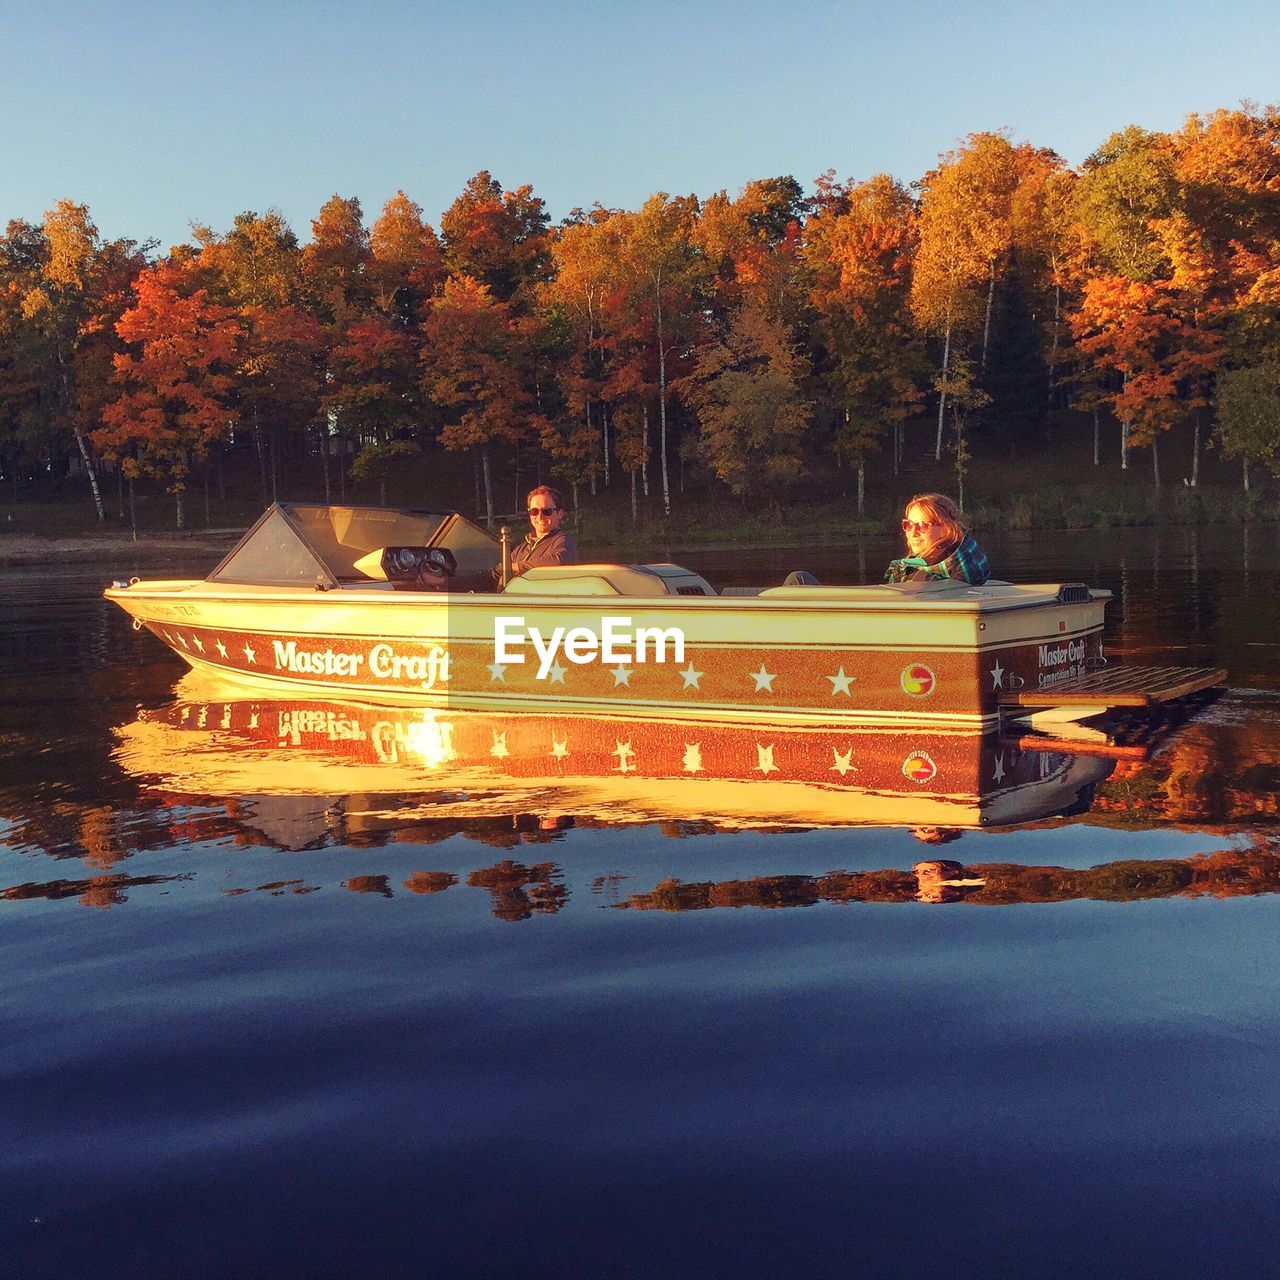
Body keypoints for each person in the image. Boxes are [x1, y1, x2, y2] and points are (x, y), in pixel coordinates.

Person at [884, 493, 990, 585]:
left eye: (922, 525)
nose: (913, 533)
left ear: (945, 529)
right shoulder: (971, 562)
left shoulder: (920, 577)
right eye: (908, 525)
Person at [511, 485, 578, 575]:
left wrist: (515, 567)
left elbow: (560, 561)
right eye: (534, 511)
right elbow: (500, 572)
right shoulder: (520, 549)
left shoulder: (564, 540)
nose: (540, 517)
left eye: (547, 511)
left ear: (560, 514)